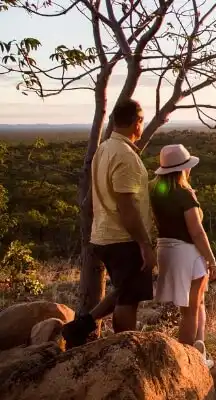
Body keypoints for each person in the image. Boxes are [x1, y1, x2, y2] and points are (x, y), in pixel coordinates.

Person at [63, 99, 156, 348]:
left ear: (115, 120)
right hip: (123, 237)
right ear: (137, 123)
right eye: (141, 121)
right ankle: (122, 351)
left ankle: (80, 327)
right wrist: (145, 244)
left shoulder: (104, 149)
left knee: (124, 288)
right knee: (128, 297)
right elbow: (127, 206)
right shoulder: (125, 156)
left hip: (103, 234)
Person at [150, 144, 216, 368]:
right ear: (183, 169)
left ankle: (199, 352)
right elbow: (197, 231)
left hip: (165, 249)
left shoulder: (155, 192)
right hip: (187, 252)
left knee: (196, 304)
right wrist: (211, 259)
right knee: (191, 311)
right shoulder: (184, 193)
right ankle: (187, 365)